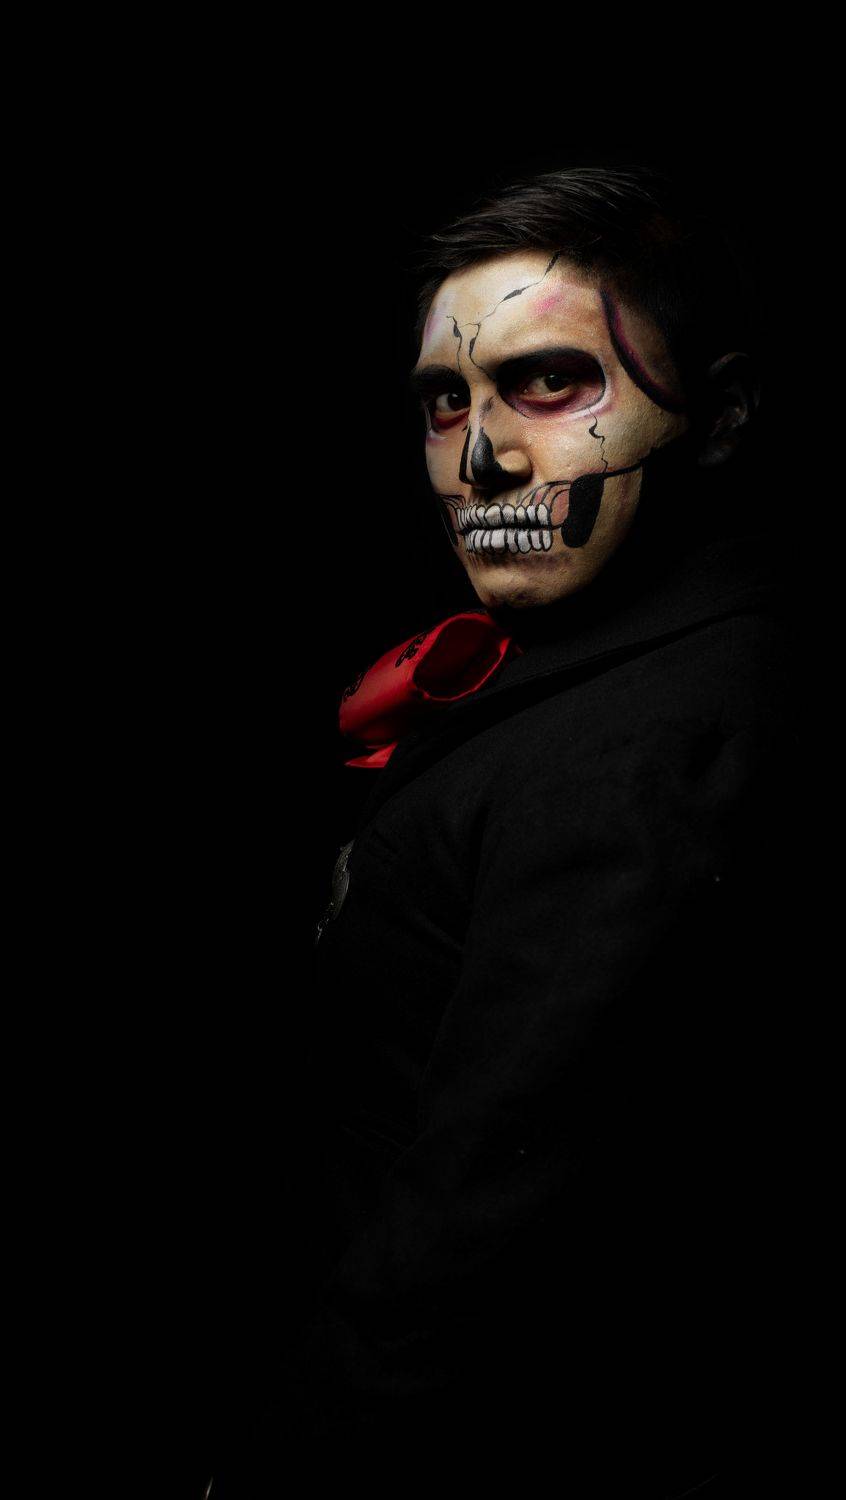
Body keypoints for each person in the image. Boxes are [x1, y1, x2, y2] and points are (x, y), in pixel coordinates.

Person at [210, 167, 803, 1497]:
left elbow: (483, 1233)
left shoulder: (653, 744)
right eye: (446, 401)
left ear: (720, 415)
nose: (481, 457)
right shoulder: (586, 668)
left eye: (548, 384)